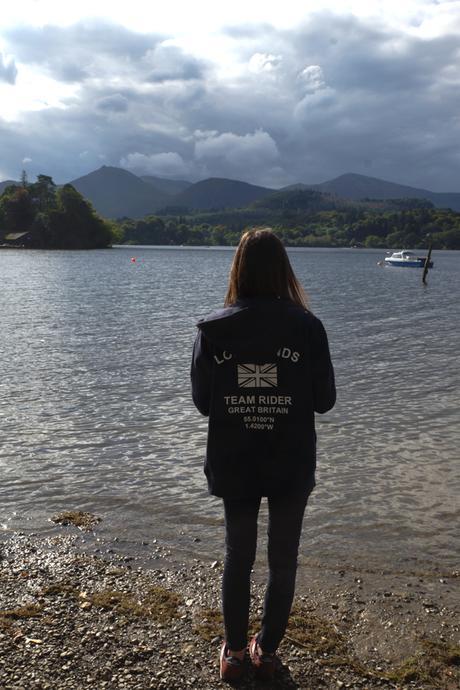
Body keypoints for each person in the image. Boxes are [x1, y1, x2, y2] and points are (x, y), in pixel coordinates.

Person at [190, 228, 336, 682]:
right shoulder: (307, 327)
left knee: (238, 555)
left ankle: (234, 654)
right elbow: (324, 400)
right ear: (284, 270)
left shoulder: (213, 329)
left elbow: (202, 402)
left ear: (238, 268)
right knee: (283, 560)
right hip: (290, 460)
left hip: (236, 457)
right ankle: (266, 651)